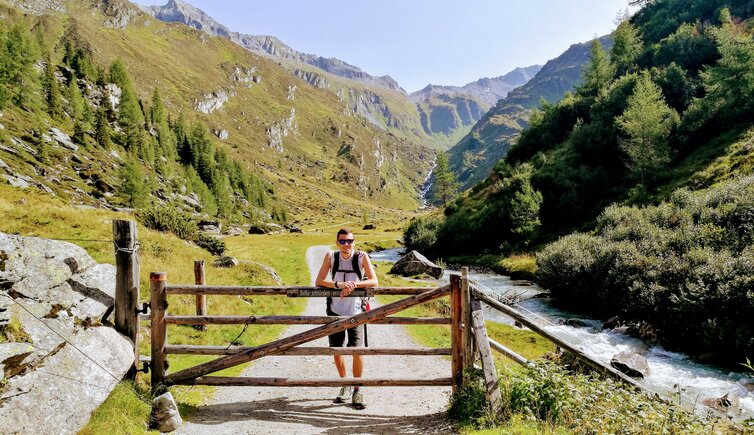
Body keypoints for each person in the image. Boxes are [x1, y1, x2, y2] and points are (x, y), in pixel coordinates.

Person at [315, 228, 378, 410]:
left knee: (356, 350)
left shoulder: (361, 256)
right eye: (342, 241)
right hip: (335, 310)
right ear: (337, 242)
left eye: (349, 241)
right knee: (337, 349)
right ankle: (345, 384)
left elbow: (374, 281)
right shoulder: (331, 257)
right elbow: (319, 281)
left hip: (356, 311)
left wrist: (353, 285)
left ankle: (357, 389)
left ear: (354, 242)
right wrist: (338, 284)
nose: (346, 244)